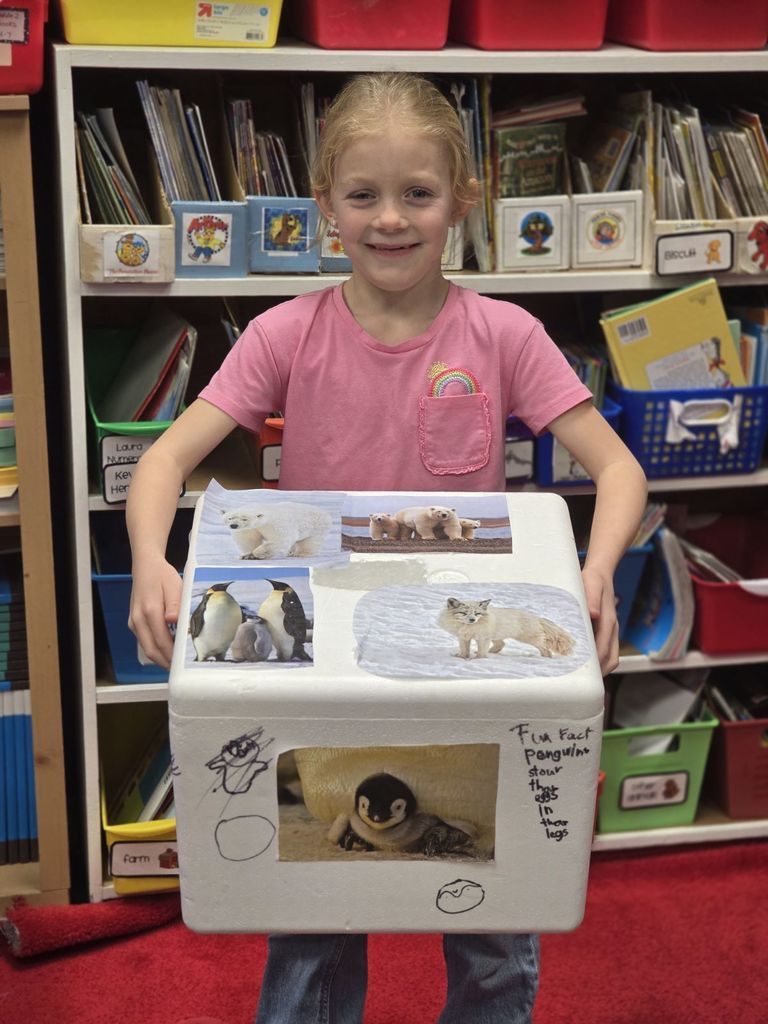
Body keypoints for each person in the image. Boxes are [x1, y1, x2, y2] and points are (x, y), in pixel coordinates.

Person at [127, 72, 647, 1024]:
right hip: (326, 661)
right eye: (363, 196)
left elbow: (619, 473)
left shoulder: (505, 333)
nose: (391, 220)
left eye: (418, 194)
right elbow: (164, 462)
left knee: (495, 898)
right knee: (313, 896)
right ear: (326, 206)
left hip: (467, 656)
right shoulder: (287, 332)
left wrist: (597, 572)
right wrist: (153, 566)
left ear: (463, 198)